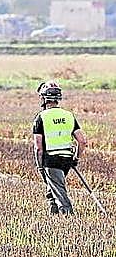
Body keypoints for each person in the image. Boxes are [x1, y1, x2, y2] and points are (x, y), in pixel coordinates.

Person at [32, 81, 86, 215]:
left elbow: (38, 147)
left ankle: (68, 215)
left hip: (51, 160)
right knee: (54, 187)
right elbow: (82, 141)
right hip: (67, 159)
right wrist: (76, 158)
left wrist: (40, 165)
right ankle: (54, 215)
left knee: (58, 189)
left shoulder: (41, 117)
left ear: (44, 98)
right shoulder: (69, 116)